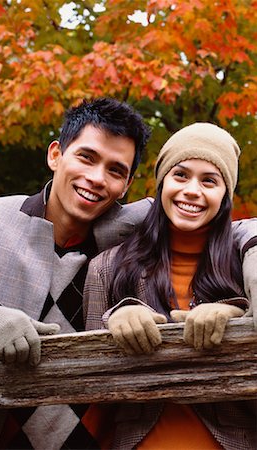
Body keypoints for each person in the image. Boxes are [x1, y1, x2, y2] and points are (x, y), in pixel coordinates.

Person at [0, 101, 255, 450]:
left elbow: (227, 227)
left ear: (127, 185)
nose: (96, 179)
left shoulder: (136, 233)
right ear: (56, 155)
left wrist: (236, 307)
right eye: (86, 157)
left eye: (115, 170)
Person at [83, 122, 256, 449]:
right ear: (162, 183)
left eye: (209, 181)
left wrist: (238, 319)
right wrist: (113, 321)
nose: (192, 190)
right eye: (180, 175)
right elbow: (94, 395)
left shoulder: (244, 266)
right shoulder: (106, 268)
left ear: (225, 195)